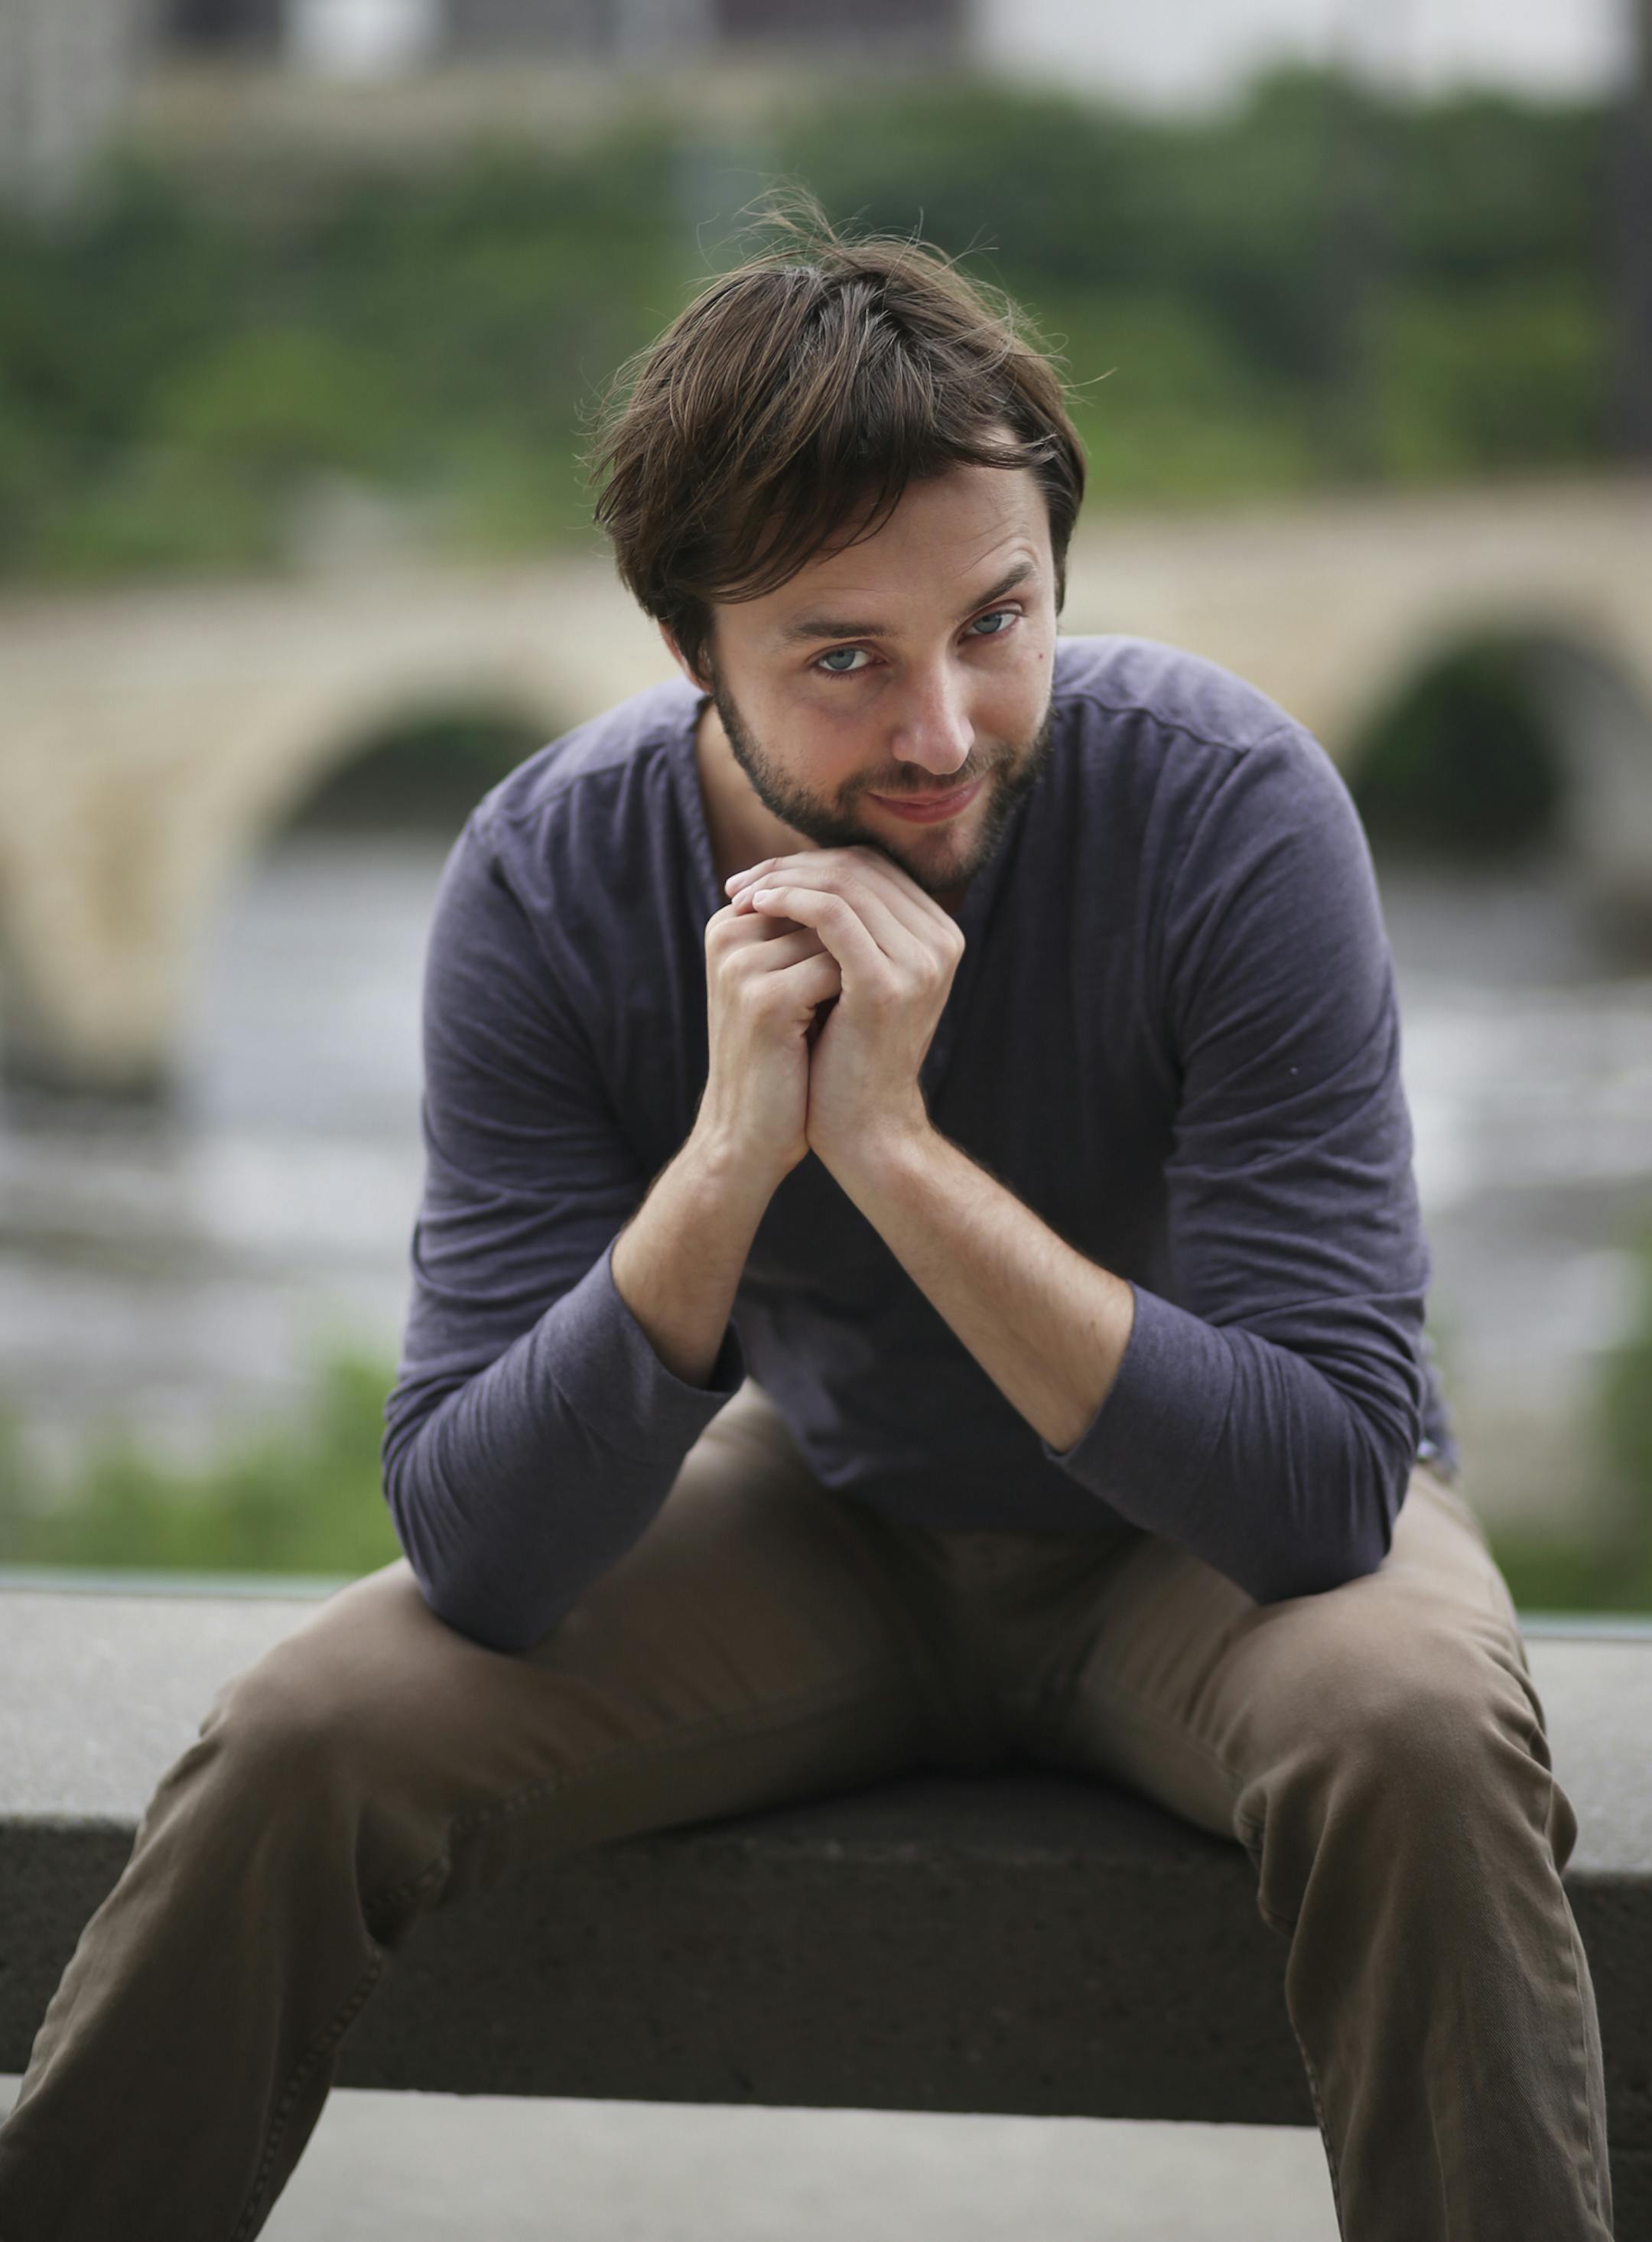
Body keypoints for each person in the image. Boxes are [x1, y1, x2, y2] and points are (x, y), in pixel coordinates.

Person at [0, 202, 1613, 2242]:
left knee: (1416, 1725)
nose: (941, 725)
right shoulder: (548, 880)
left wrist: (897, 1153)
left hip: (1198, 1537)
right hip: (824, 1513)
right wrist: (727, 1162)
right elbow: (479, 1549)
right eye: (843, 658)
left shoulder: (1229, 807)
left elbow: (1320, 1490)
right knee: (303, 1732)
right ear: (691, 651)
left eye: (997, 623)